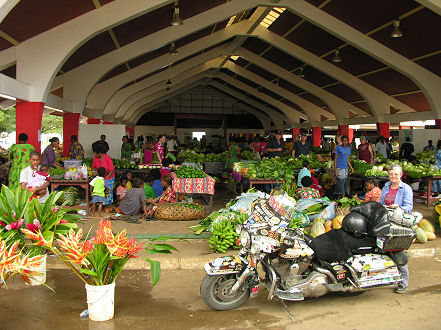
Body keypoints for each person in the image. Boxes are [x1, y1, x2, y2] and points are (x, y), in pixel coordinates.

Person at [379, 163, 413, 293]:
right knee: (384, 249)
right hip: (386, 221)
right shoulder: (386, 186)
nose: (393, 176)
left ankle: (403, 282)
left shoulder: (406, 189)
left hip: (399, 224)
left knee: (398, 251)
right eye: (391, 174)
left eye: (396, 174)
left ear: (401, 175)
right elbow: (381, 203)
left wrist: (398, 207)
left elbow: (409, 207)